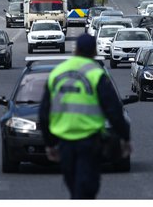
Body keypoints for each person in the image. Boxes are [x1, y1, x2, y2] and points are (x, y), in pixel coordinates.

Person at [39, 33, 131, 199]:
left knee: (74, 187)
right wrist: (125, 138)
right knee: (86, 188)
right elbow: (114, 110)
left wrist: (49, 144)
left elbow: (44, 112)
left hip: (64, 141)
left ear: (76, 50)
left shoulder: (57, 73)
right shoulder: (96, 74)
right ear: (94, 51)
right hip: (89, 142)